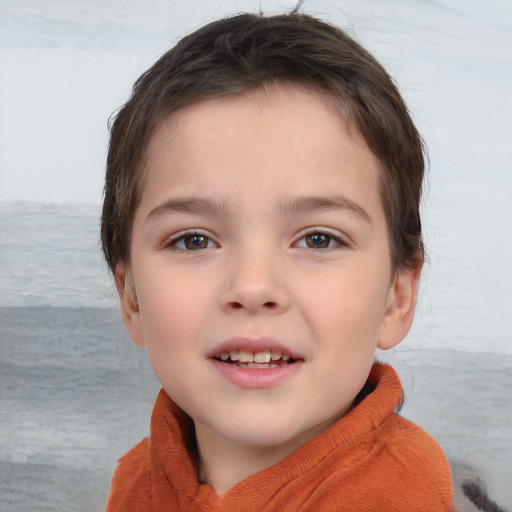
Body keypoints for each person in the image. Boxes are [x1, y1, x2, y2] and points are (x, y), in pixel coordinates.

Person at [101, 9, 456, 511]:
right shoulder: (138, 478)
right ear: (131, 296)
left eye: (318, 240)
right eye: (194, 241)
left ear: (397, 298)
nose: (252, 286)